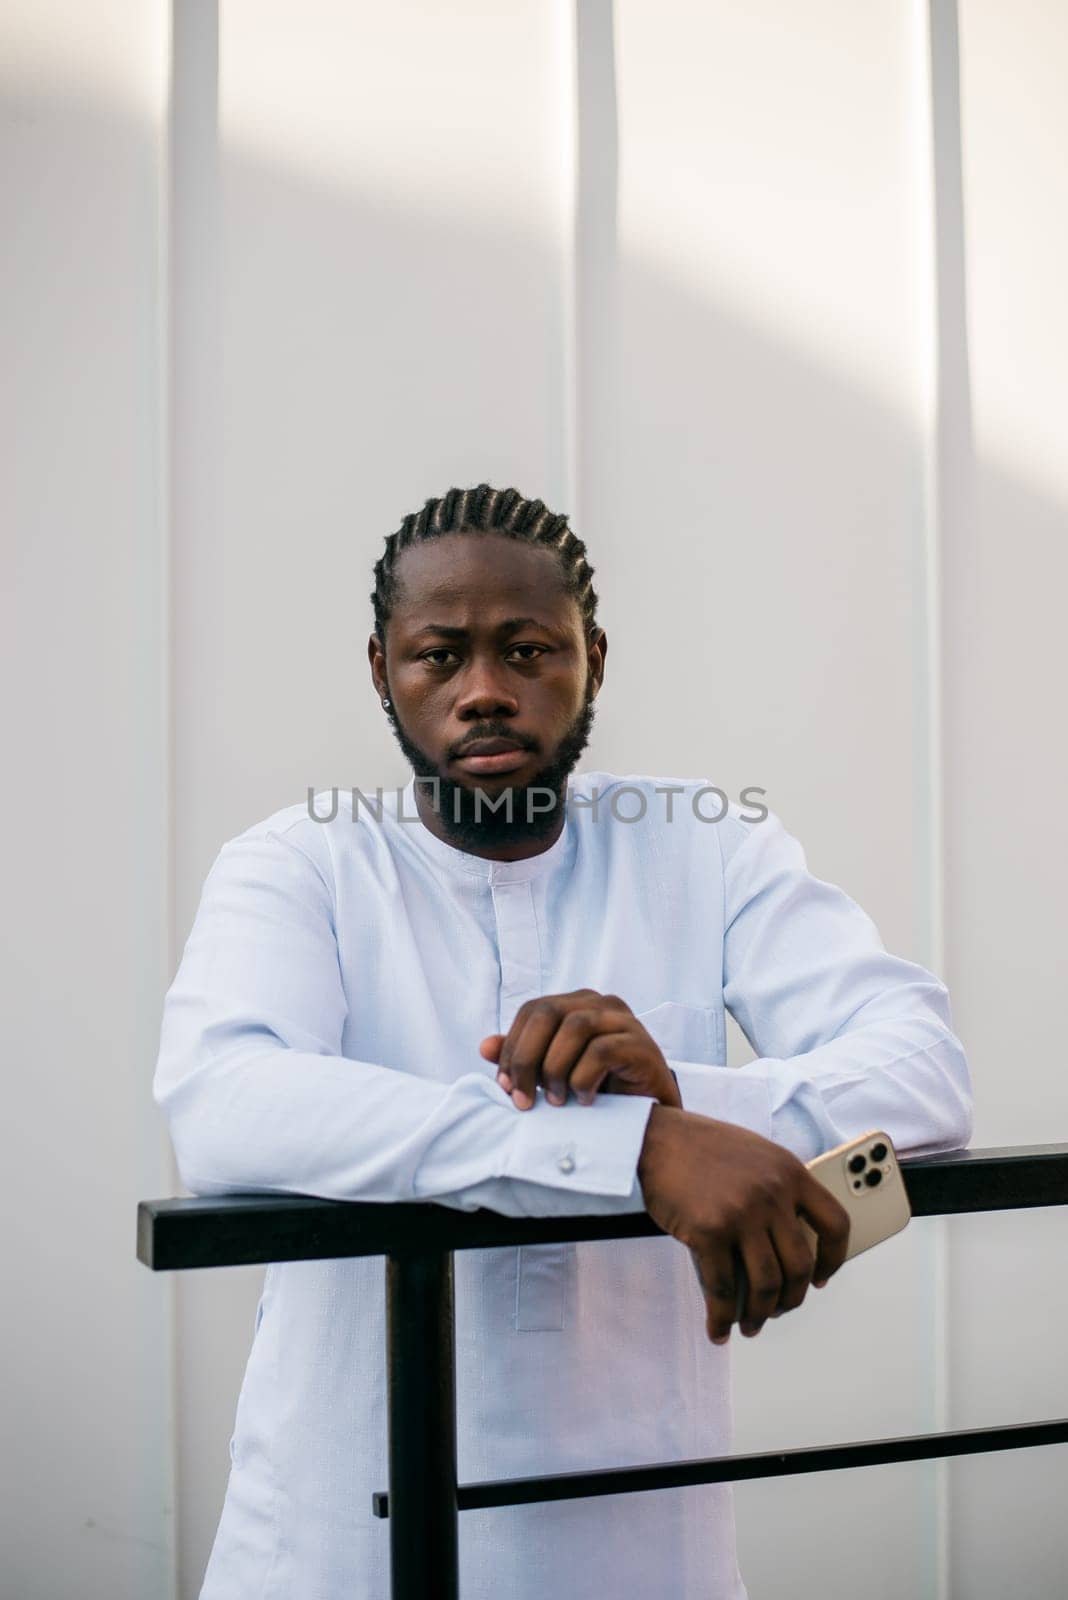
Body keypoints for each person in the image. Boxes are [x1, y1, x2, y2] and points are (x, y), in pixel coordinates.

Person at [153, 483, 973, 1600]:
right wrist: (636, 1147)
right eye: (439, 656)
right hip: (344, 1540)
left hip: (643, 1548)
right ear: (381, 668)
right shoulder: (299, 862)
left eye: (527, 649)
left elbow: (921, 1066)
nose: (484, 691)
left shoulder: (708, 846)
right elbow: (224, 1100)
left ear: (593, 653)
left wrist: (688, 1102)